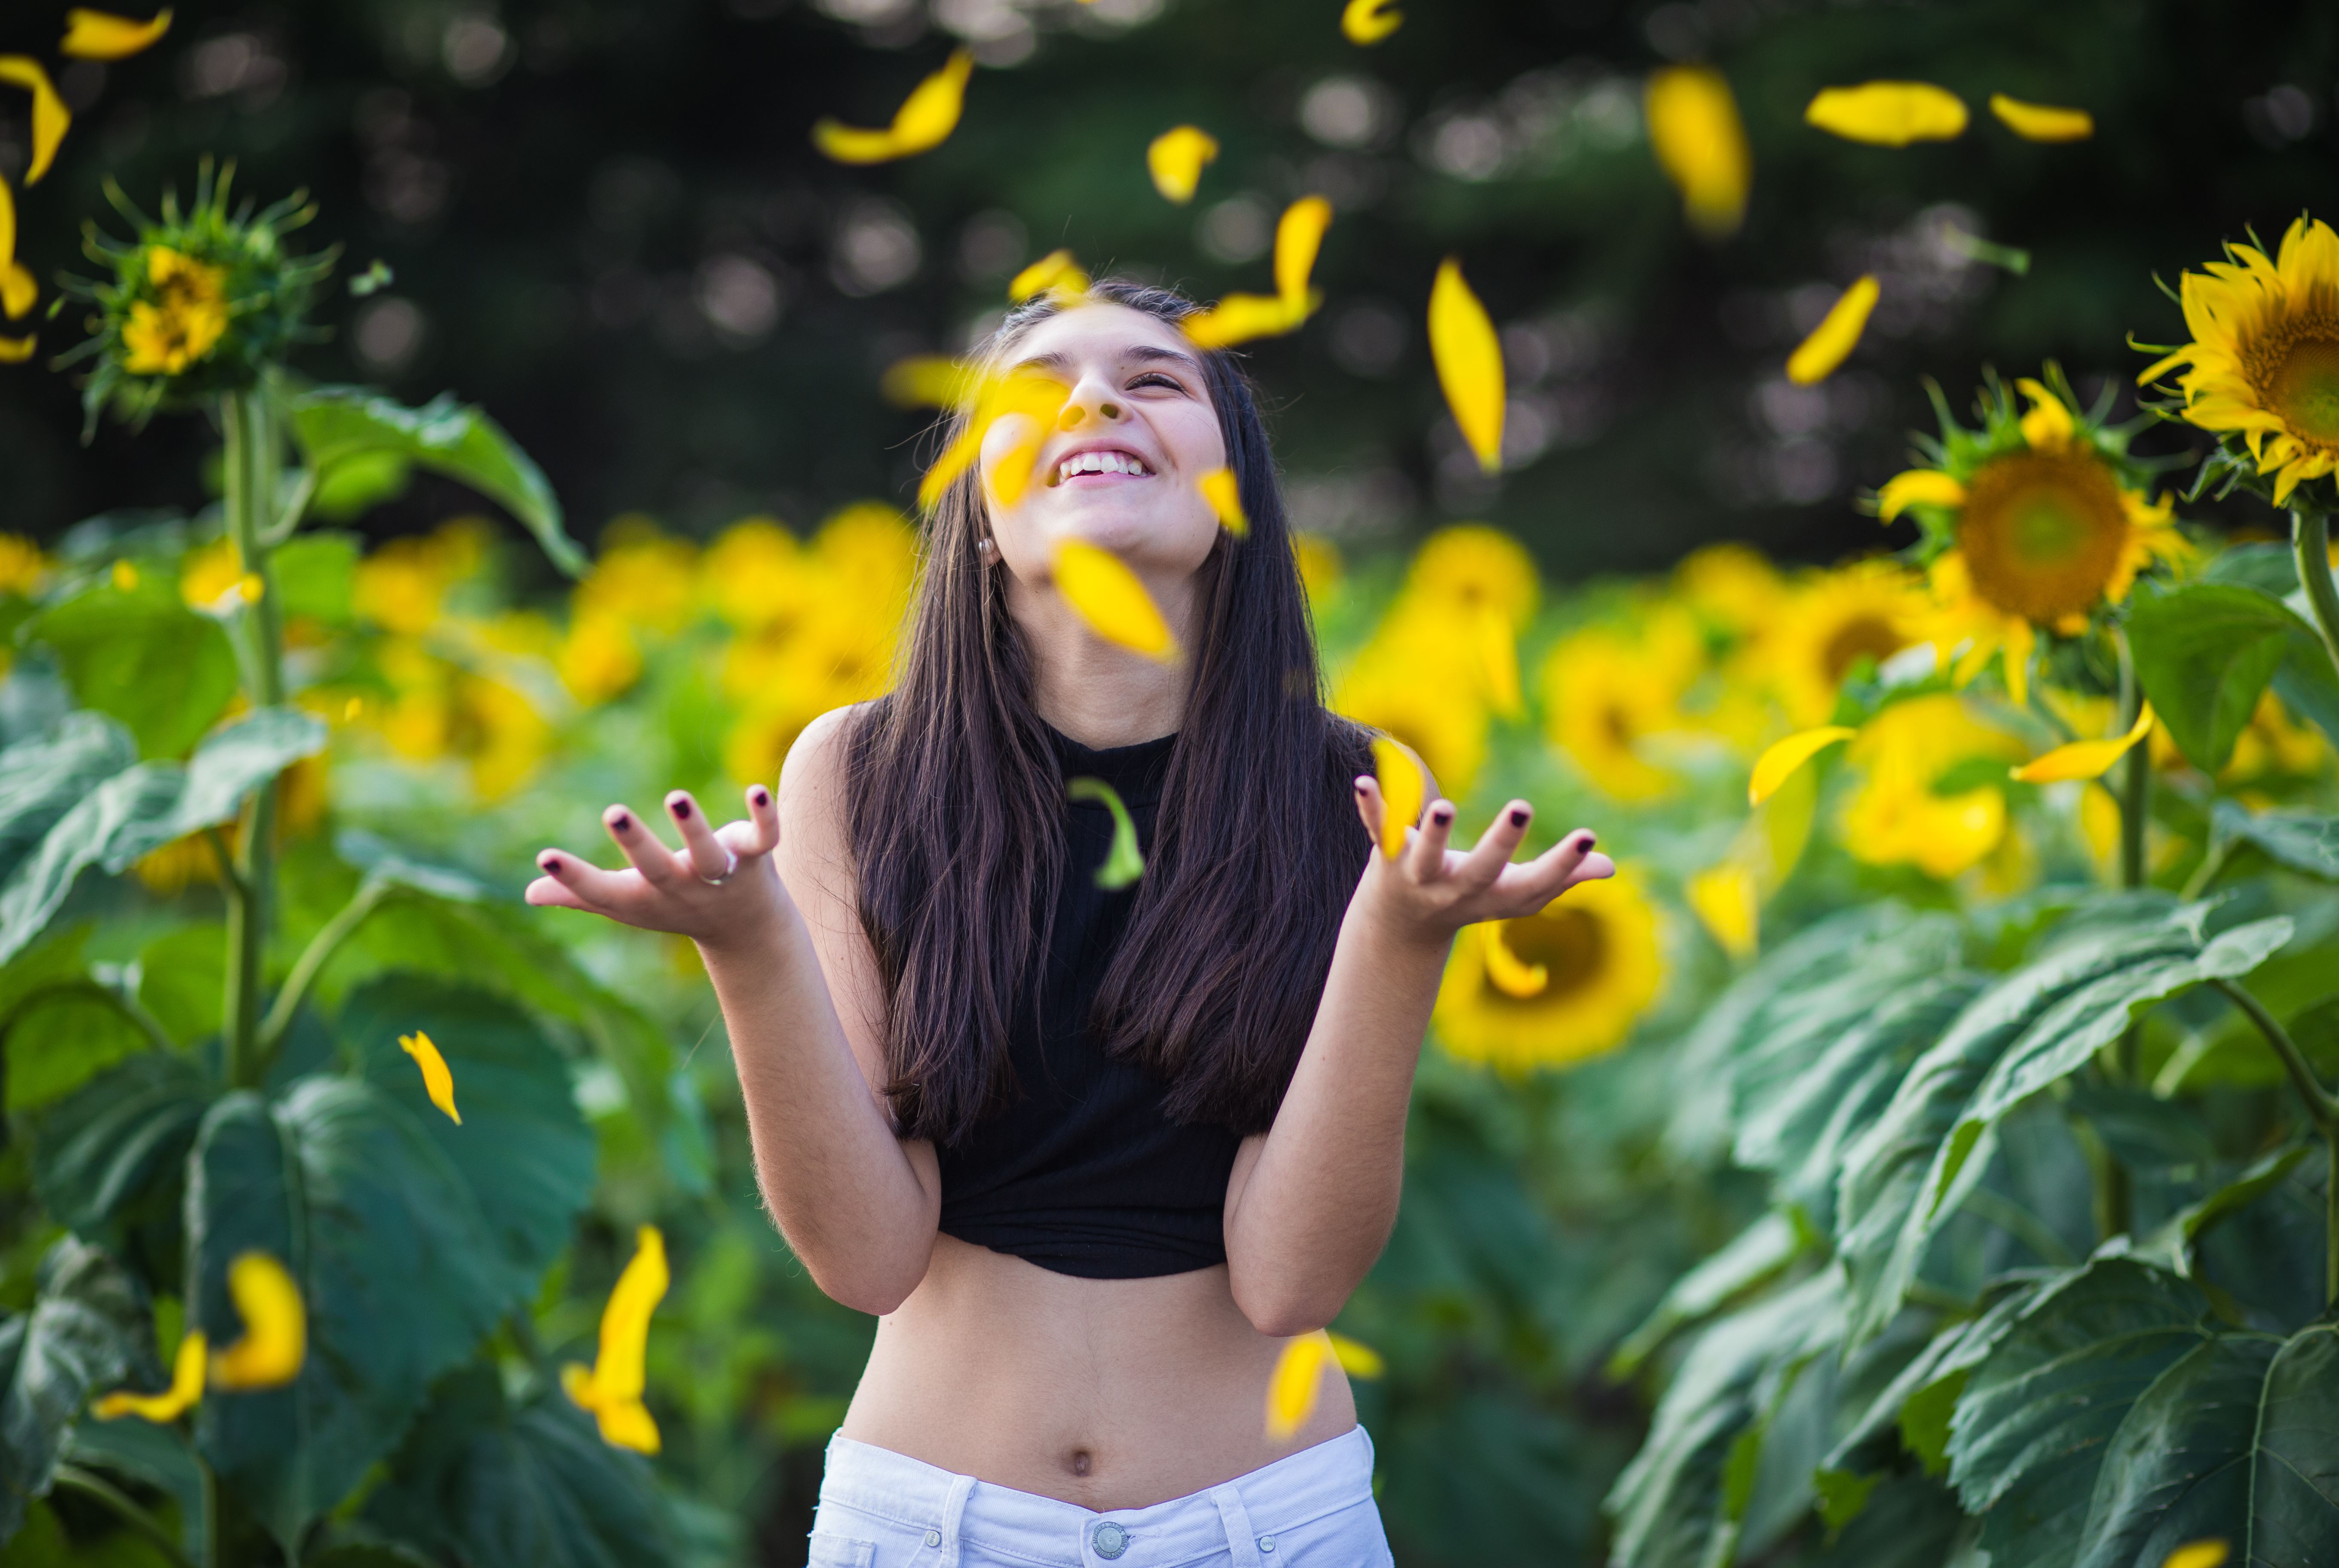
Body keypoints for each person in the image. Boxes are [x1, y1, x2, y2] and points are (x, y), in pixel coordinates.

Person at [526, 281, 1613, 1567]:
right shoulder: (859, 772)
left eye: (1156, 380)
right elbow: (868, 1259)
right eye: (1042, 388)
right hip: (928, 1526)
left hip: (1272, 1527)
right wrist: (749, 945)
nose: (1094, 399)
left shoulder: (1352, 789)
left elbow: (1292, 1285)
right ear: (980, 516)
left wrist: (1399, 938)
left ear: (1235, 499)